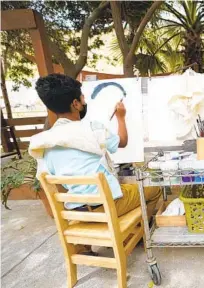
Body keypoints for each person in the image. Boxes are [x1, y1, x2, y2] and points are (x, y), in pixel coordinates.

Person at [29, 74, 161, 252]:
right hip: (106, 206)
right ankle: (136, 234)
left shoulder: (43, 143)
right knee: (154, 190)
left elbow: (50, 182)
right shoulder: (93, 128)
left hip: (76, 210)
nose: (84, 101)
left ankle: (87, 243)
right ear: (75, 104)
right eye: (82, 98)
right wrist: (121, 118)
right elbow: (122, 142)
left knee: (119, 189)